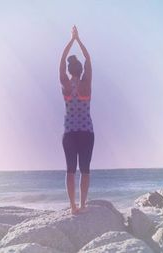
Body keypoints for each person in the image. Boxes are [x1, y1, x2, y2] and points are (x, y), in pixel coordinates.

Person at [59, 25, 94, 215]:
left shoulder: (65, 85)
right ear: (81, 70)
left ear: (69, 70)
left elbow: (62, 59)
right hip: (86, 132)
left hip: (69, 133)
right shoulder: (86, 84)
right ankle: (83, 204)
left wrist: (71, 39)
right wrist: (79, 39)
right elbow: (88, 59)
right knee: (85, 169)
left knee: (70, 170)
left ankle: (73, 206)